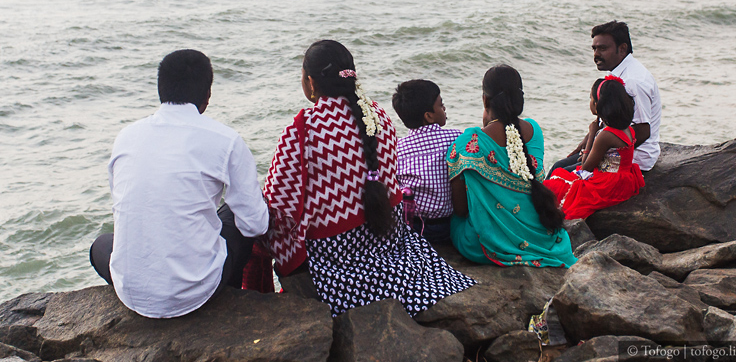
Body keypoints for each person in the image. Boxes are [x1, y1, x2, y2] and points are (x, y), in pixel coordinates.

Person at [262, 40, 475, 317]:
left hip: (335, 252)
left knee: (255, 224)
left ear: (311, 83)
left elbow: (280, 205)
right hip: (388, 233)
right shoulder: (378, 115)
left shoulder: (302, 128)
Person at [89, 49, 269, 318]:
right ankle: (225, 297)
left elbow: (123, 206)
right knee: (235, 215)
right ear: (207, 96)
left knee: (100, 245)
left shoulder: (126, 137)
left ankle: (149, 286)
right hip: (194, 293)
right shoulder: (226, 140)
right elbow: (256, 224)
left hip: (130, 293)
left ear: (161, 90)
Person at [448, 65, 576, 268]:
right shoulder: (534, 130)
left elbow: (461, 209)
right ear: (519, 99)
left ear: (485, 100)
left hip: (486, 244)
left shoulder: (469, 142)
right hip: (542, 236)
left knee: (455, 224)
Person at [547, 20, 662, 178]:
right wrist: (582, 147)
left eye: (603, 48)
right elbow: (609, 122)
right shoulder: (618, 73)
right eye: (594, 48)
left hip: (633, 159)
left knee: (560, 176)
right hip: (611, 149)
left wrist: (597, 153)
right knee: (558, 166)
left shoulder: (633, 81)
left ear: (622, 49)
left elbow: (642, 130)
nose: (596, 54)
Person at [544, 76, 645, 219]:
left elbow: (586, 167)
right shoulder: (627, 128)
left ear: (599, 105)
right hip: (624, 179)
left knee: (556, 180)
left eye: (591, 99)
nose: (590, 103)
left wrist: (592, 134)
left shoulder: (606, 135)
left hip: (607, 184)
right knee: (560, 173)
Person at [391, 79, 461, 243]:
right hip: (448, 226)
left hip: (412, 228)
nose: (444, 109)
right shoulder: (455, 138)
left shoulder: (397, 148)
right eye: (441, 105)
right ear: (429, 116)